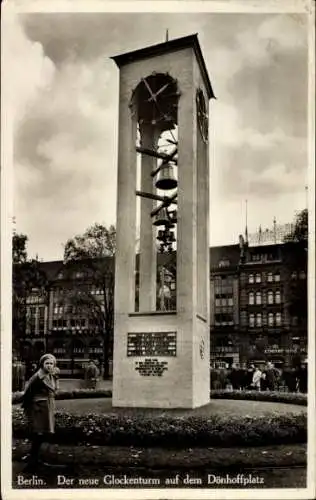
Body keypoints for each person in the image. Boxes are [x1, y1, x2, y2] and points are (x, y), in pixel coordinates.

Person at [19, 353, 60, 471]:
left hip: (48, 407)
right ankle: (32, 463)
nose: (49, 366)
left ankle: (35, 460)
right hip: (38, 409)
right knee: (38, 434)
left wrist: (56, 377)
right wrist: (30, 409)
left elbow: (55, 390)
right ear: (42, 364)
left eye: (51, 363)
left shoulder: (51, 375)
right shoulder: (37, 377)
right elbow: (27, 393)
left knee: (42, 435)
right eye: (47, 363)